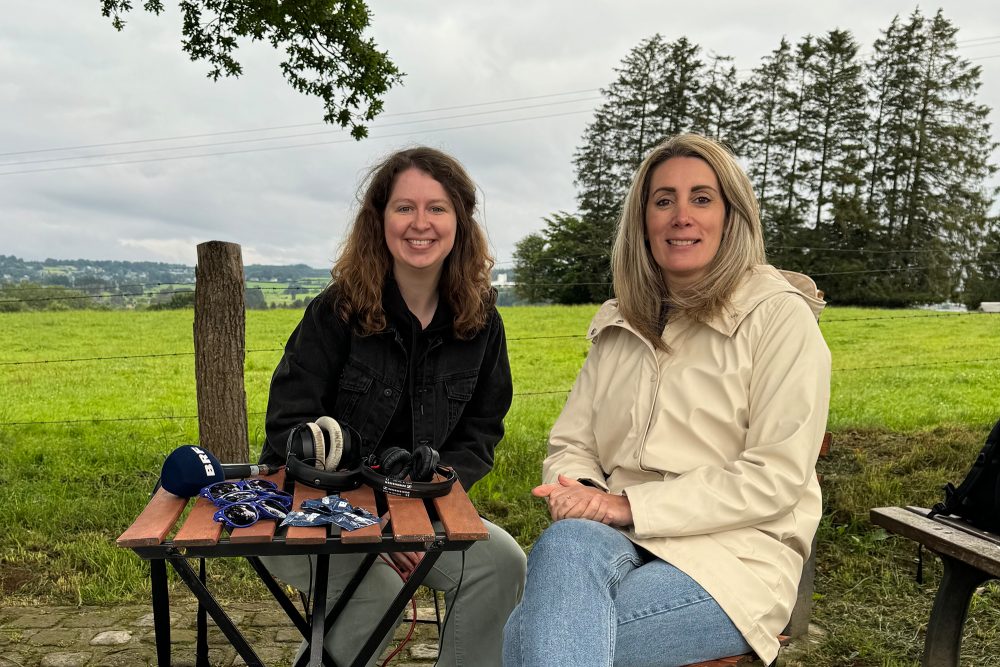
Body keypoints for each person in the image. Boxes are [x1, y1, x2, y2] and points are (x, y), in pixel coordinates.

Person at [502, 134, 831, 667]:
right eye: (664, 200)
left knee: (526, 640)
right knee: (564, 548)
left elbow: (775, 474)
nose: (682, 215)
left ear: (731, 216)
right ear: (644, 222)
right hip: (617, 536)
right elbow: (571, 443)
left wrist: (629, 504)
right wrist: (585, 492)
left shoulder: (778, 316)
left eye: (702, 198)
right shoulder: (621, 322)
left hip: (733, 554)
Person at [259, 146, 526, 667]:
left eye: (437, 208)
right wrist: (372, 524)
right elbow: (287, 430)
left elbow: (480, 433)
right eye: (404, 208)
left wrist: (417, 511)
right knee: (376, 590)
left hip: (417, 511)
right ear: (379, 219)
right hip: (305, 510)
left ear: (460, 222)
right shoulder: (336, 311)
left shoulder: (482, 321)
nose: (419, 223)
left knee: (503, 564)